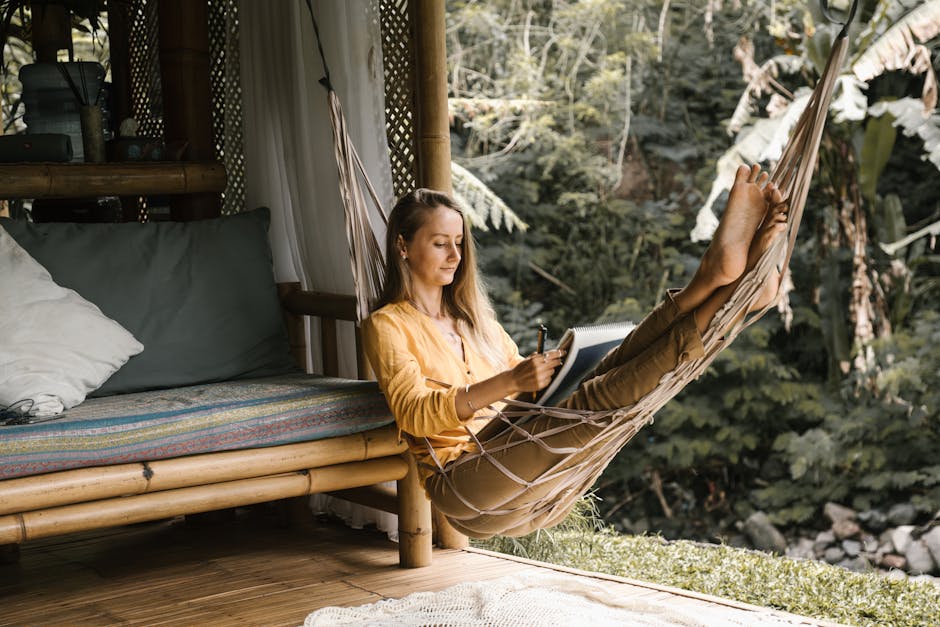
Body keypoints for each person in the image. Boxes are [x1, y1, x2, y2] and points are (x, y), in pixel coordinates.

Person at [362, 164, 787, 538]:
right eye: (440, 243)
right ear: (403, 246)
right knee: (593, 404)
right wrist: (512, 380)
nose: (456, 255)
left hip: (510, 448)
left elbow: (523, 395)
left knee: (606, 368)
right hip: (461, 478)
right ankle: (732, 293)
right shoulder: (388, 325)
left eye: (459, 242)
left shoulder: (478, 323)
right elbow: (414, 415)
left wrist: (542, 375)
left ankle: (712, 283)